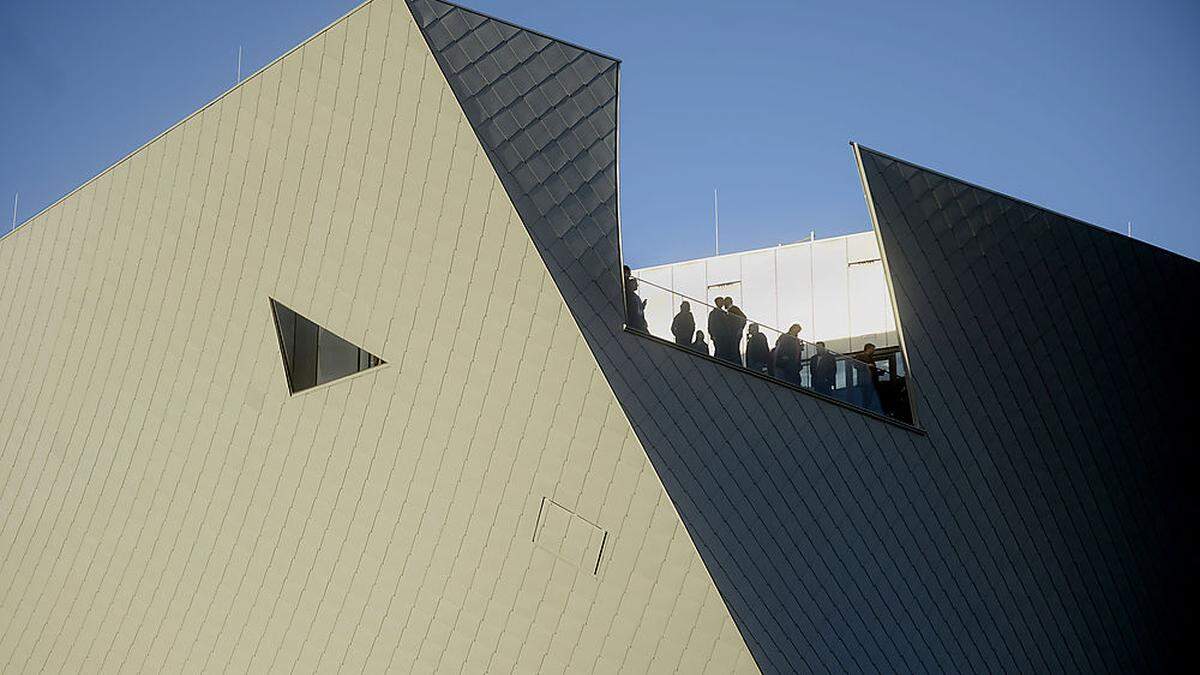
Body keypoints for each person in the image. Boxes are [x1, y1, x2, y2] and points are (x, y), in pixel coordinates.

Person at [853, 343, 883, 412]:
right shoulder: (861, 356)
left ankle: (868, 410)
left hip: (871, 381)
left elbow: (872, 371)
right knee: (866, 398)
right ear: (868, 348)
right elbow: (856, 365)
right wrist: (867, 365)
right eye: (873, 349)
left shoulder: (870, 358)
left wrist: (879, 373)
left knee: (869, 398)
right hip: (866, 382)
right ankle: (866, 411)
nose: (873, 351)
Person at [623, 265, 647, 332]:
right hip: (636, 325)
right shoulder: (628, 294)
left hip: (639, 324)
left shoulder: (634, 296)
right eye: (628, 273)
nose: (630, 275)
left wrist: (642, 306)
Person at [724, 300, 747, 366]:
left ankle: (737, 363)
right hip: (734, 332)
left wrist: (740, 329)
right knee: (734, 348)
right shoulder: (730, 310)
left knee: (734, 348)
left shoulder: (733, 309)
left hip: (735, 332)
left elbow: (744, 318)